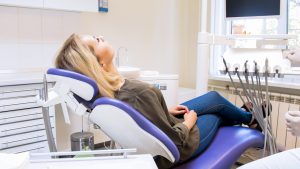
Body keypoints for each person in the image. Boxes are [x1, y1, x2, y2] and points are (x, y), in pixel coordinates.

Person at [54, 33, 259, 168]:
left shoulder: (107, 94)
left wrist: (163, 111)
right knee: (217, 111)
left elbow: (137, 119)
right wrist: (188, 123)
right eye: (96, 41)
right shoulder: (135, 93)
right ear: (98, 63)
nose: (100, 36)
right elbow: (175, 142)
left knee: (213, 98)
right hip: (176, 149)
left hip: (163, 132)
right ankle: (250, 119)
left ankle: (247, 117)